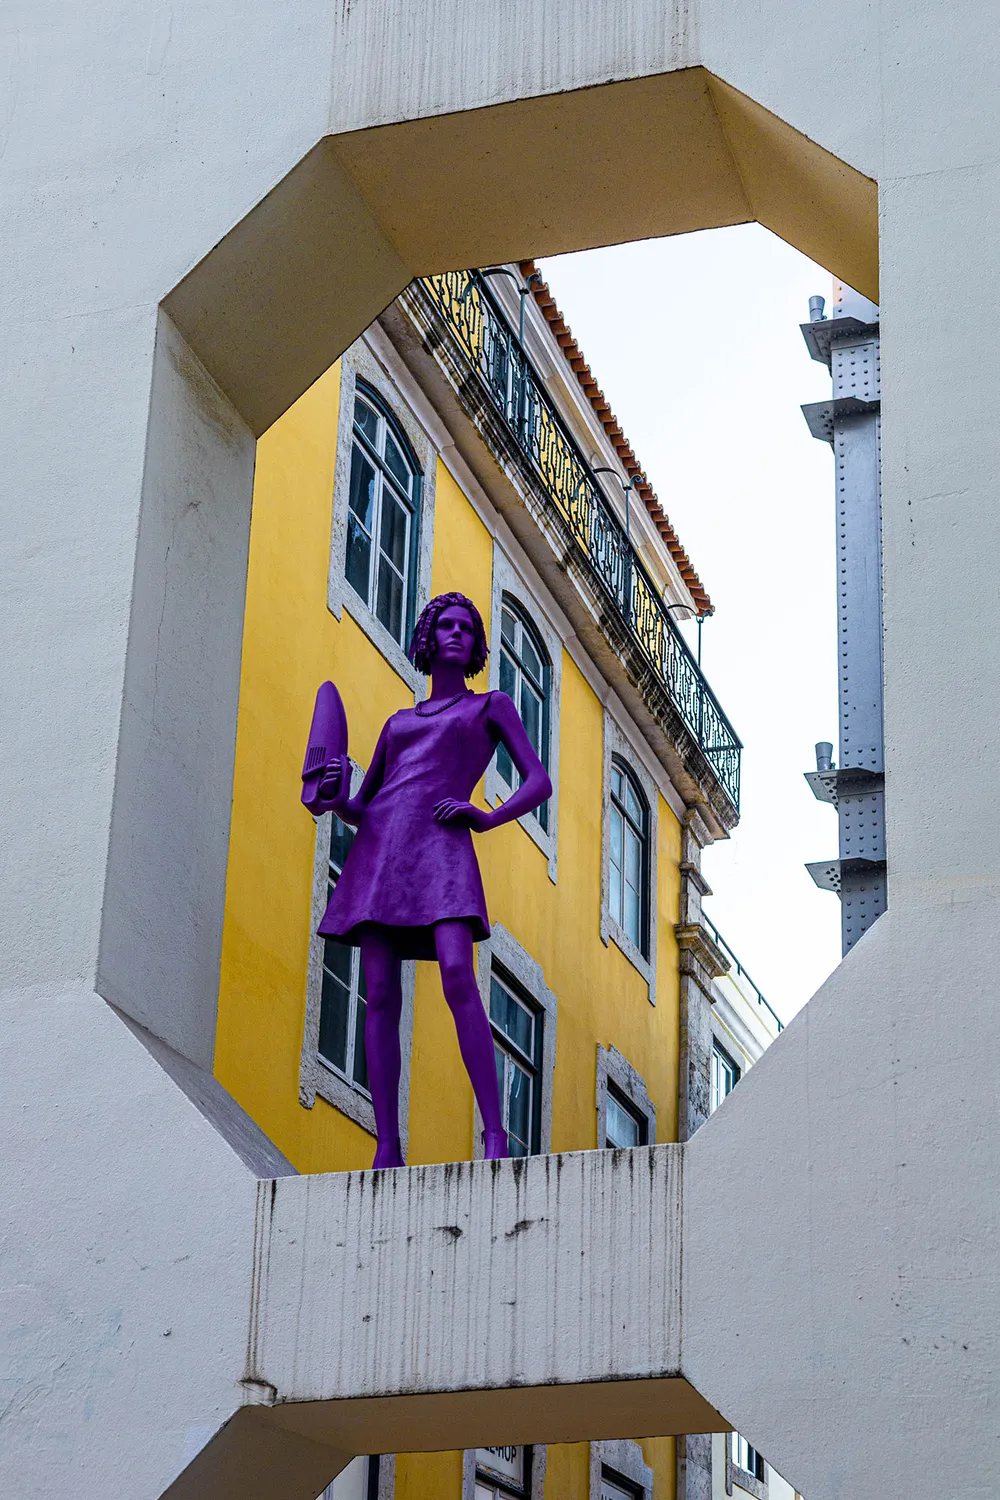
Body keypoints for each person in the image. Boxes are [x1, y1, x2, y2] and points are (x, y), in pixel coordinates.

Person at [315, 591, 552, 1168]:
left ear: (475, 646)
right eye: (445, 625)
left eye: (466, 629)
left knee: (457, 974)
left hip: (444, 847)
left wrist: (486, 816)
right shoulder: (397, 722)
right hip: (381, 854)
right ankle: (387, 1145)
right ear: (427, 637)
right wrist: (333, 796)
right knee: (380, 994)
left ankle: (495, 1135)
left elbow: (538, 781)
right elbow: (364, 805)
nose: (455, 634)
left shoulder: (490, 707)